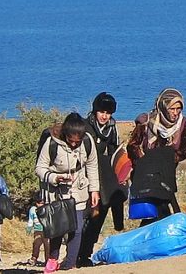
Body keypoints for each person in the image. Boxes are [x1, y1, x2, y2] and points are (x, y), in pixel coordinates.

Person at [36, 112, 100, 273]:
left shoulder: (87, 142)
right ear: (65, 134)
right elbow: (40, 168)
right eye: (71, 141)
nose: (73, 144)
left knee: (76, 228)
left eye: (77, 142)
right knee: (59, 228)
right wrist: (55, 178)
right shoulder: (52, 143)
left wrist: (94, 190)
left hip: (78, 190)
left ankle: (70, 264)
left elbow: (92, 165)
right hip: (56, 192)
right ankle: (52, 258)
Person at [127, 88, 186, 226]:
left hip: (166, 176)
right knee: (155, 211)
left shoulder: (182, 124)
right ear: (163, 106)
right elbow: (132, 146)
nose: (175, 113)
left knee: (162, 211)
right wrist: (146, 161)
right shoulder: (145, 123)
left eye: (178, 109)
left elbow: (184, 150)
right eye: (172, 109)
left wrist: (169, 159)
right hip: (146, 176)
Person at [77, 91, 126, 267]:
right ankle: (75, 254)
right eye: (102, 111)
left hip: (103, 179)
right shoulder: (84, 127)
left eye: (108, 112)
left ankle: (85, 255)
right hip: (84, 178)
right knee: (84, 219)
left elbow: (114, 152)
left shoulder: (112, 128)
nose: (105, 116)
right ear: (95, 111)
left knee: (98, 218)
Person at [23, 191, 49, 268]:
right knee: (36, 244)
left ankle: (47, 260)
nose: (39, 205)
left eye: (42, 203)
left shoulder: (47, 209)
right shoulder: (33, 209)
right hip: (37, 230)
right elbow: (31, 219)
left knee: (47, 245)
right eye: (38, 203)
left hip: (46, 230)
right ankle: (34, 258)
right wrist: (29, 227)